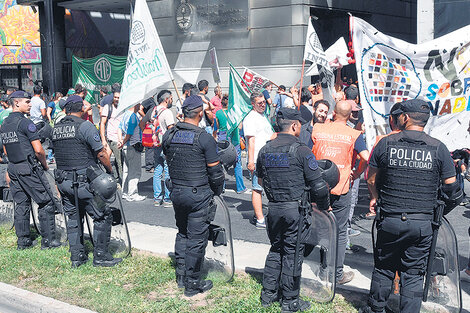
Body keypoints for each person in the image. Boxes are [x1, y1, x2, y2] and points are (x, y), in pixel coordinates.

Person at [363, 99, 462, 313]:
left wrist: (375, 197)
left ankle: (375, 309)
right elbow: (453, 189)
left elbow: (370, 178)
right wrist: (439, 210)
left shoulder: (386, 143)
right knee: (414, 273)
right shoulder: (439, 148)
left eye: (400, 115)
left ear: (405, 118)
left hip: (390, 218)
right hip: (422, 223)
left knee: (384, 268)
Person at [257, 108, 330, 313]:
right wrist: (324, 207)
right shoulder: (302, 150)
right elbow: (318, 186)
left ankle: (268, 294)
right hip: (295, 210)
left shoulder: (265, 150)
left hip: (274, 208)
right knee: (292, 253)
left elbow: (261, 180)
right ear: (295, 126)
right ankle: (290, 301)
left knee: (276, 249)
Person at [162, 95, 224, 297]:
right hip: (198, 194)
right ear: (199, 113)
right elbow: (215, 173)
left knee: (182, 233)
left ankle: (181, 276)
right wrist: (216, 191)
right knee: (197, 239)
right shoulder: (203, 137)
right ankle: (192, 283)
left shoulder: (169, 135)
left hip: (177, 191)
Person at [52, 95, 122, 268]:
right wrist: (110, 171)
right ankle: (101, 256)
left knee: (74, 217)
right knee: (103, 215)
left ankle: (76, 257)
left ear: (66, 110)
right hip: (85, 183)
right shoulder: (86, 126)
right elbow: (100, 153)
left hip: (64, 182)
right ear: (81, 109)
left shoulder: (56, 128)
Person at [311, 100, 369, 285]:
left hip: (318, 186)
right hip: (342, 187)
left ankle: (323, 269)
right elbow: (366, 157)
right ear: (349, 116)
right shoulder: (354, 134)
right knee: (340, 231)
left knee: (321, 228)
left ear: (333, 113)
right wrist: (357, 173)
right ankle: (336, 274)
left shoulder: (318, 130)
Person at [0, 90, 60, 249]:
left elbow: (6, 150)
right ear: (17, 103)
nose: (30, 104)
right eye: (27, 102)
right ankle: (49, 241)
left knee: (21, 203)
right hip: (29, 167)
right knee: (46, 201)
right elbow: (39, 150)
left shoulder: (5, 124)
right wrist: (45, 166)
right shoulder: (26, 123)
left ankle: (23, 241)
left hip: (13, 168)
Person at [243, 91, 274, 228]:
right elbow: (251, 141)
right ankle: (260, 219)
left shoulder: (262, 116)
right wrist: (250, 161)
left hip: (267, 157)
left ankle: (260, 214)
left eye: (264, 102)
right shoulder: (250, 118)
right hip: (257, 159)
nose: (263, 105)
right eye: (259, 103)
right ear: (253, 104)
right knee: (257, 188)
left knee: (264, 187)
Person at [140, 90, 175, 206]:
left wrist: (148, 134)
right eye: (171, 98)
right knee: (168, 171)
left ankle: (157, 198)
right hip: (165, 146)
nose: (172, 100)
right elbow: (170, 130)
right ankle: (167, 199)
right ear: (166, 99)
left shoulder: (153, 110)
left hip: (155, 145)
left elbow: (142, 123)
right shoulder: (167, 112)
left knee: (157, 170)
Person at [215, 94, 248, 193]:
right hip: (234, 138)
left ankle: (222, 187)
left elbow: (217, 126)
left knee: (221, 163)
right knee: (237, 163)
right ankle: (240, 187)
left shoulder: (218, 113)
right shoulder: (235, 113)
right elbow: (240, 127)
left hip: (222, 138)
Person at [119, 103, 145, 201]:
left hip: (126, 146)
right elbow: (129, 133)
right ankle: (132, 193)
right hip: (133, 146)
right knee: (135, 171)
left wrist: (121, 141)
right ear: (135, 104)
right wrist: (123, 141)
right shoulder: (133, 117)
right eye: (139, 104)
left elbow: (119, 127)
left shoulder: (125, 114)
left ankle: (125, 192)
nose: (141, 106)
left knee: (126, 170)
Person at [100, 89, 123, 183]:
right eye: (115, 97)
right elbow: (102, 123)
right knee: (108, 159)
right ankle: (112, 179)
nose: (117, 99)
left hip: (121, 139)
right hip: (111, 138)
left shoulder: (123, 107)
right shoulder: (108, 107)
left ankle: (119, 180)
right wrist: (103, 140)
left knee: (120, 162)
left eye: (118, 97)